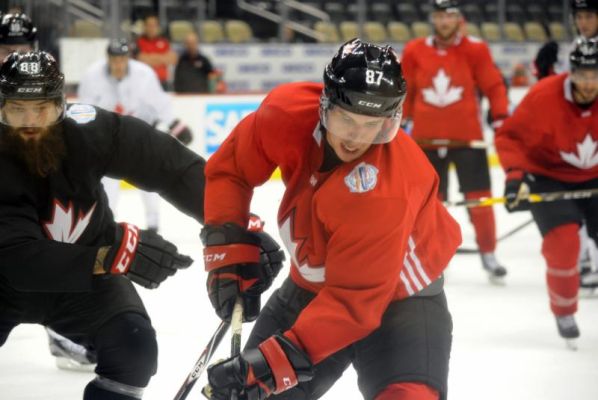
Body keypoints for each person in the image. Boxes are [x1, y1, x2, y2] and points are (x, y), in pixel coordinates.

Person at [201, 38, 461, 400]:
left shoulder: (387, 189)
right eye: (346, 119)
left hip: (402, 303)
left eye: (372, 125)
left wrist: (274, 361)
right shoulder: (287, 114)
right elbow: (231, 171)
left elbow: (354, 302)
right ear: (325, 103)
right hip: (312, 287)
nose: (355, 138)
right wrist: (227, 246)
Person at [0, 50, 199, 399]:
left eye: (41, 108)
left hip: (86, 277)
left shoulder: (88, 130)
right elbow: (16, 257)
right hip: (4, 284)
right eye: (17, 109)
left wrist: (234, 223)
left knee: (133, 348)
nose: (30, 121)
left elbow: (170, 165)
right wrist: (112, 255)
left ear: (61, 105)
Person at [496, 38, 598, 347]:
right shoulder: (543, 96)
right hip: (548, 177)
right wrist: (515, 178)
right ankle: (564, 309)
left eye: (595, 75)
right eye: (583, 75)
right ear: (571, 73)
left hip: (594, 178)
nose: (589, 83)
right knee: (563, 241)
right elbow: (510, 137)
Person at [400, 0, 509, 283]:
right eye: (439, 16)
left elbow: (493, 85)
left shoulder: (475, 49)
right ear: (433, 19)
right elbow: (406, 89)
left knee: (480, 201)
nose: (444, 22)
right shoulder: (415, 49)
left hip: (467, 139)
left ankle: (489, 254)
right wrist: (398, 123)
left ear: (458, 18)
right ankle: (430, 257)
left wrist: (500, 117)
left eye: (448, 16)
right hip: (425, 140)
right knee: (431, 205)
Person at [78, 38, 193, 234]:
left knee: (150, 183)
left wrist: (176, 125)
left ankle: (154, 226)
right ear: (108, 58)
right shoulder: (92, 76)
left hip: (141, 138)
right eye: (114, 59)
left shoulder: (144, 75)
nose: (118, 64)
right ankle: (107, 227)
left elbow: (160, 103)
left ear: (128, 58)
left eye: (122, 59)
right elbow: (84, 109)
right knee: (107, 188)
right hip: (108, 142)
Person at [532, 0, 598, 292]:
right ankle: (585, 260)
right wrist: (544, 71)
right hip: (576, 143)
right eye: (579, 16)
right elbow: (556, 97)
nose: (583, 22)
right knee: (579, 210)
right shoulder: (572, 49)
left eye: (589, 16)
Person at [135, 13, 178, 90]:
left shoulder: (164, 42)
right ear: (144, 27)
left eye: (154, 25)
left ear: (158, 27)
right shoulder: (139, 42)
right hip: (143, 81)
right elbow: (141, 59)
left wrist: (150, 58)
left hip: (162, 82)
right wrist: (162, 58)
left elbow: (172, 59)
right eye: (149, 25)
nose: (152, 28)